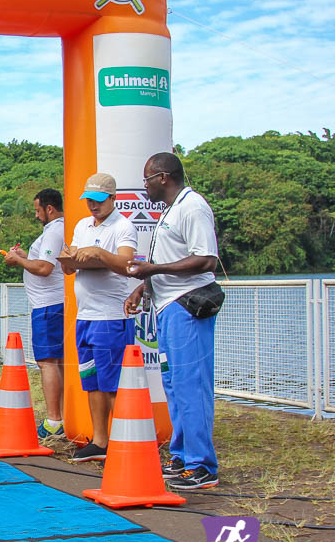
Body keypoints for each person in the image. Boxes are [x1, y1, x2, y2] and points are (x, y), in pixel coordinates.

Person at [125, 152, 221, 490]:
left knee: (191, 385)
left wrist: (154, 270)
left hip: (186, 307)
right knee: (174, 385)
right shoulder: (170, 210)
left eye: (147, 179)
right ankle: (182, 457)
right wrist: (144, 286)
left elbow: (206, 259)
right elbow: (166, 260)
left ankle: (203, 466)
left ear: (163, 177)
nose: (144, 186)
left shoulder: (192, 207)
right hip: (166, 307)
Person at [60, 173, 137, 462]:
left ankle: (126, 440)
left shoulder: (123, 226)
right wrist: (69, 260)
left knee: (113, 382)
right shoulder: (82, 225)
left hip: (111, 316)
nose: (93, 205)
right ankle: (101, 440)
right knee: (91, 379)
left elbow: (128, 264)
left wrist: (99, 254)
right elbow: (69, 265)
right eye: (89, 200)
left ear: (112, 198)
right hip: (85, 316)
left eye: (99, 200)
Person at [5, 188, 66, 439]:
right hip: (51, 304)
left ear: (49, 208)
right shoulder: (55, 231)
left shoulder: (55, 231)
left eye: (37, 210)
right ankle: (62, 417)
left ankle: (54, 420)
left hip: (49, 305)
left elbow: (44, 267)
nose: (36, 215)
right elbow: (39, 261)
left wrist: (18, 261)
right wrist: (24, 255)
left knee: (47, 361)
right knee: (56, 361)